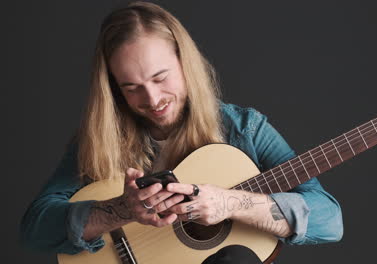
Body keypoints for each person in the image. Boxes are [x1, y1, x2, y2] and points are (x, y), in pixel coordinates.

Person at [20, 1, 343, 263]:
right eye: (132, 87)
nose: (153, 99)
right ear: (115, 90)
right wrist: (120, 210)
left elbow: (329, 220)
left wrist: (230, 203)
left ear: (185, 62)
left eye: (161, 78)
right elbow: (35, 230)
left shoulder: (245, 129)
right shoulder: (99, 139)